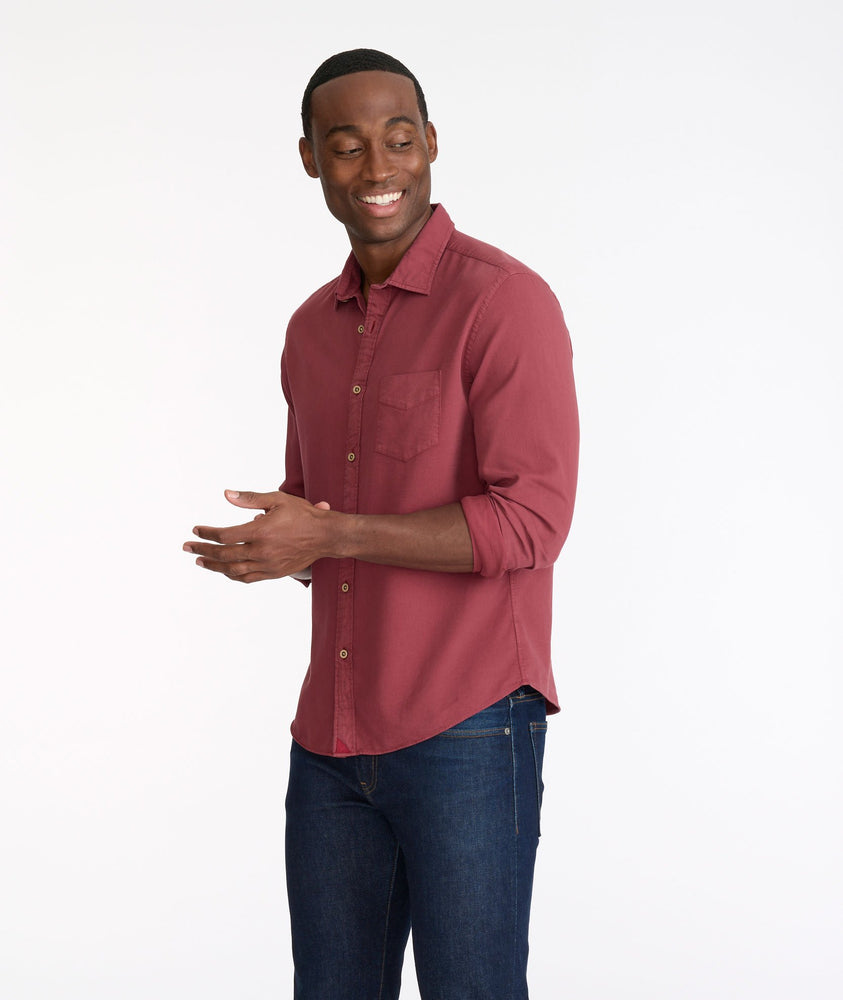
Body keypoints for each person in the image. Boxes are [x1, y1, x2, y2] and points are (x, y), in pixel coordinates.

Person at [184, 48, 579, 1000]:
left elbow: (531, 523)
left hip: (469, 723)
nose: (378, 168)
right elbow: (320, 517)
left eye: (399, 139)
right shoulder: (309, 330)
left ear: (432, 144)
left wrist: (330, 536)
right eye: (347, 146)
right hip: (330, 741)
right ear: (310, 160)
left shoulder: (503, 302)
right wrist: (282, 547)